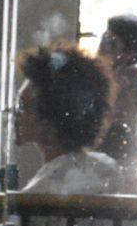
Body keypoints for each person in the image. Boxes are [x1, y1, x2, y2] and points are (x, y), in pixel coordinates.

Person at [13, 43, 127, 202]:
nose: (15, 115)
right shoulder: (105, 169)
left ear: (52, 117)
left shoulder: (42, 194)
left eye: (23, 106)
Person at [96, 13, 137, 184]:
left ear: (130, 51)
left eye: (111, 42)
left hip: (131, 162)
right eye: (104, 38)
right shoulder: (91, 74)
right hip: (91, 158)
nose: (102, 46)